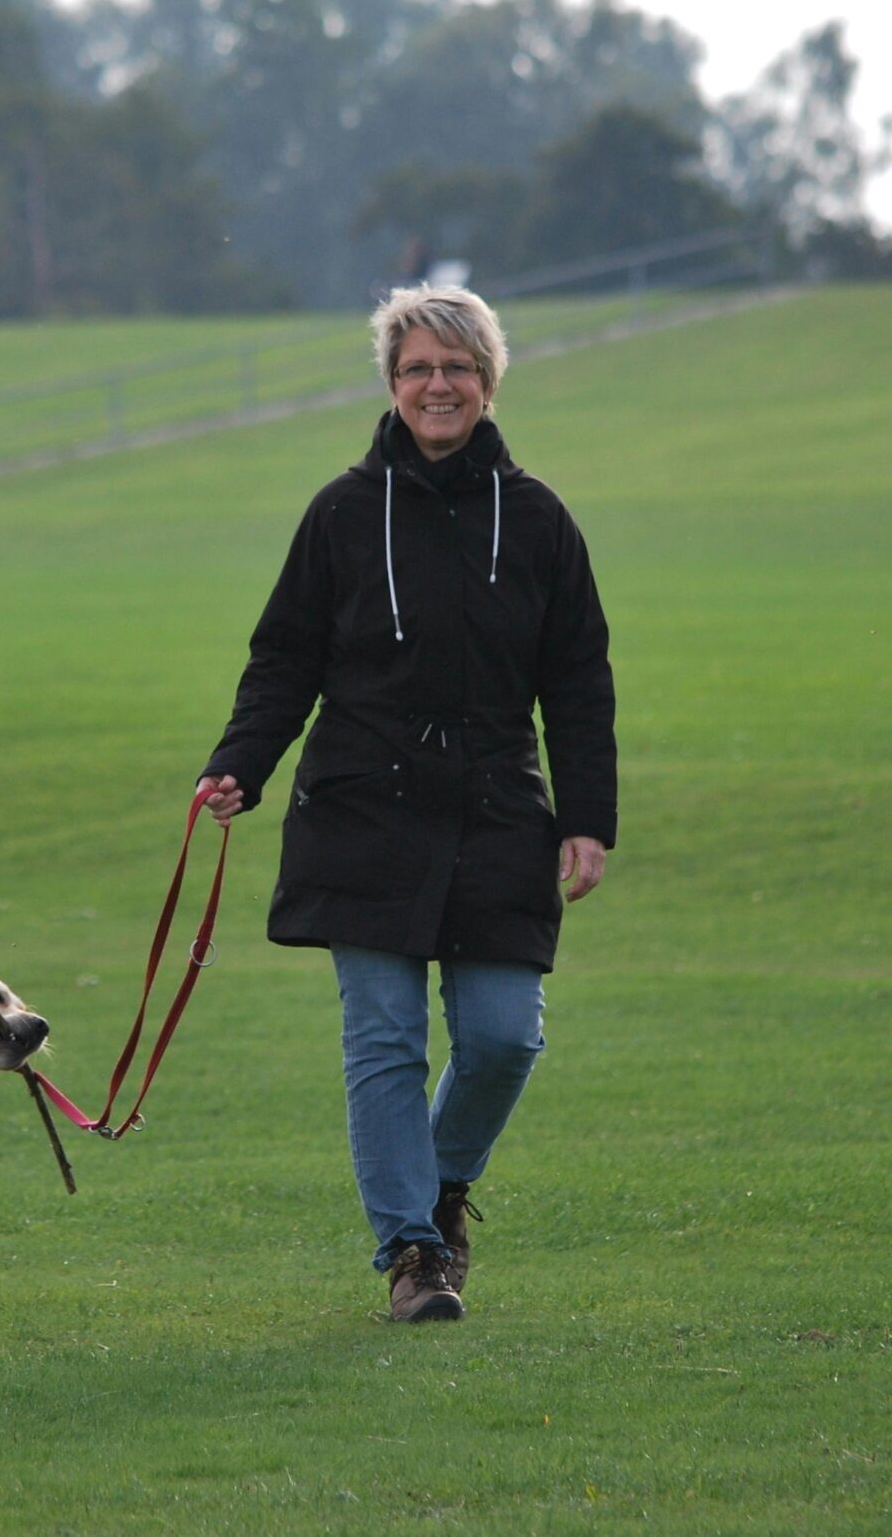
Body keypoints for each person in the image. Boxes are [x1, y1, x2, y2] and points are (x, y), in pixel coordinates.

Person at [196, 284, 616, 1323]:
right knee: (382, 1036)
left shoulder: (539, 518)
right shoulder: (341, 513)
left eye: (459, 368)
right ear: (392, 383)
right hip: (361, 807)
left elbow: (577, 679)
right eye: (420, 367)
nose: (440, 385)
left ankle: (440, 1188)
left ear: (487, 384)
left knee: (504, 1035)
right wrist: (240, 762)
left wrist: (586, 815)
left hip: (496, 808)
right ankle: (414, 1251)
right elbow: (283, 657)